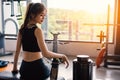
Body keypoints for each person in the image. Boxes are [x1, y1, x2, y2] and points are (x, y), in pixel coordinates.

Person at [12, 2, 69, 80]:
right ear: (32, 14)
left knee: (47, 64)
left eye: (44, 16)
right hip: (37, 69)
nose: (43, 18)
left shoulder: (22, 28)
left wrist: (14, 68)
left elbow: (17, 51)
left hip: (24, 70)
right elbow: (46, 53)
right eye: (41, 15)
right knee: (50, 66)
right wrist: (62, 56)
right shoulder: (37, 30)